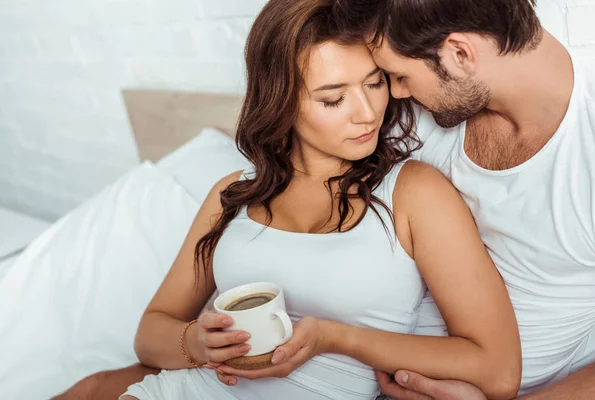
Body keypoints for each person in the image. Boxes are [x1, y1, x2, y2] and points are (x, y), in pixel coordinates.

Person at [62, 0, 523, 399]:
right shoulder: (231, 195)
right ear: (281, 100)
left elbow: (497, 370)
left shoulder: (414, 193)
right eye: (332, 99)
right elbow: (151, 334)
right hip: (190, 389)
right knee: (88, 388)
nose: (368, 113)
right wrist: (197, 344)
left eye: (375, 83)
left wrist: (335, 338)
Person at [327, 0, 595, 399]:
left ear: (460, 54)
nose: (394, 91)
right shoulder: (416, 110)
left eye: (399, 75)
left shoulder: (589, 146)